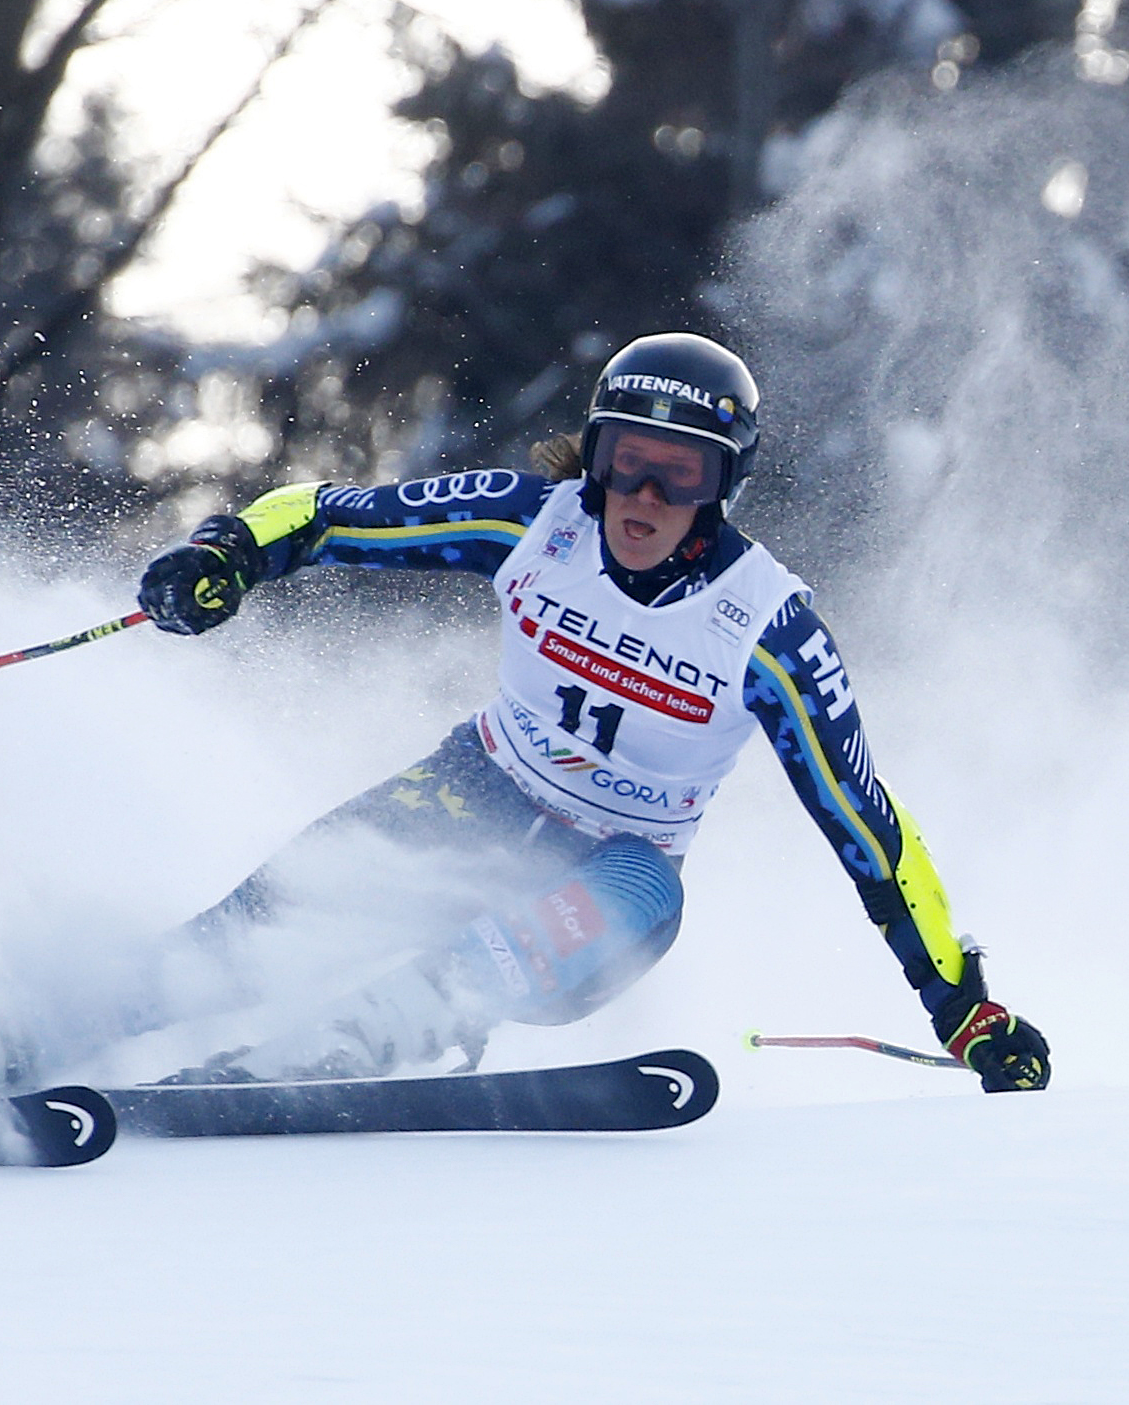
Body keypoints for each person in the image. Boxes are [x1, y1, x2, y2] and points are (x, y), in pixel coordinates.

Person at [118, 332, 1051, 1094]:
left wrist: (961, 1008)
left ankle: (344, 1044)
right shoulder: (536, 523)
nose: (643, 499)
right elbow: (326, 515)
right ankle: (41, 1017)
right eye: (625, 463)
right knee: (246, 942)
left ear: (721, 488)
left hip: (619, 865)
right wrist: (224, 554)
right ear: (595, 461)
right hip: (472, 791)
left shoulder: (767, 631)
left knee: (638, 897)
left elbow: (869, 833)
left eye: (678, 477)